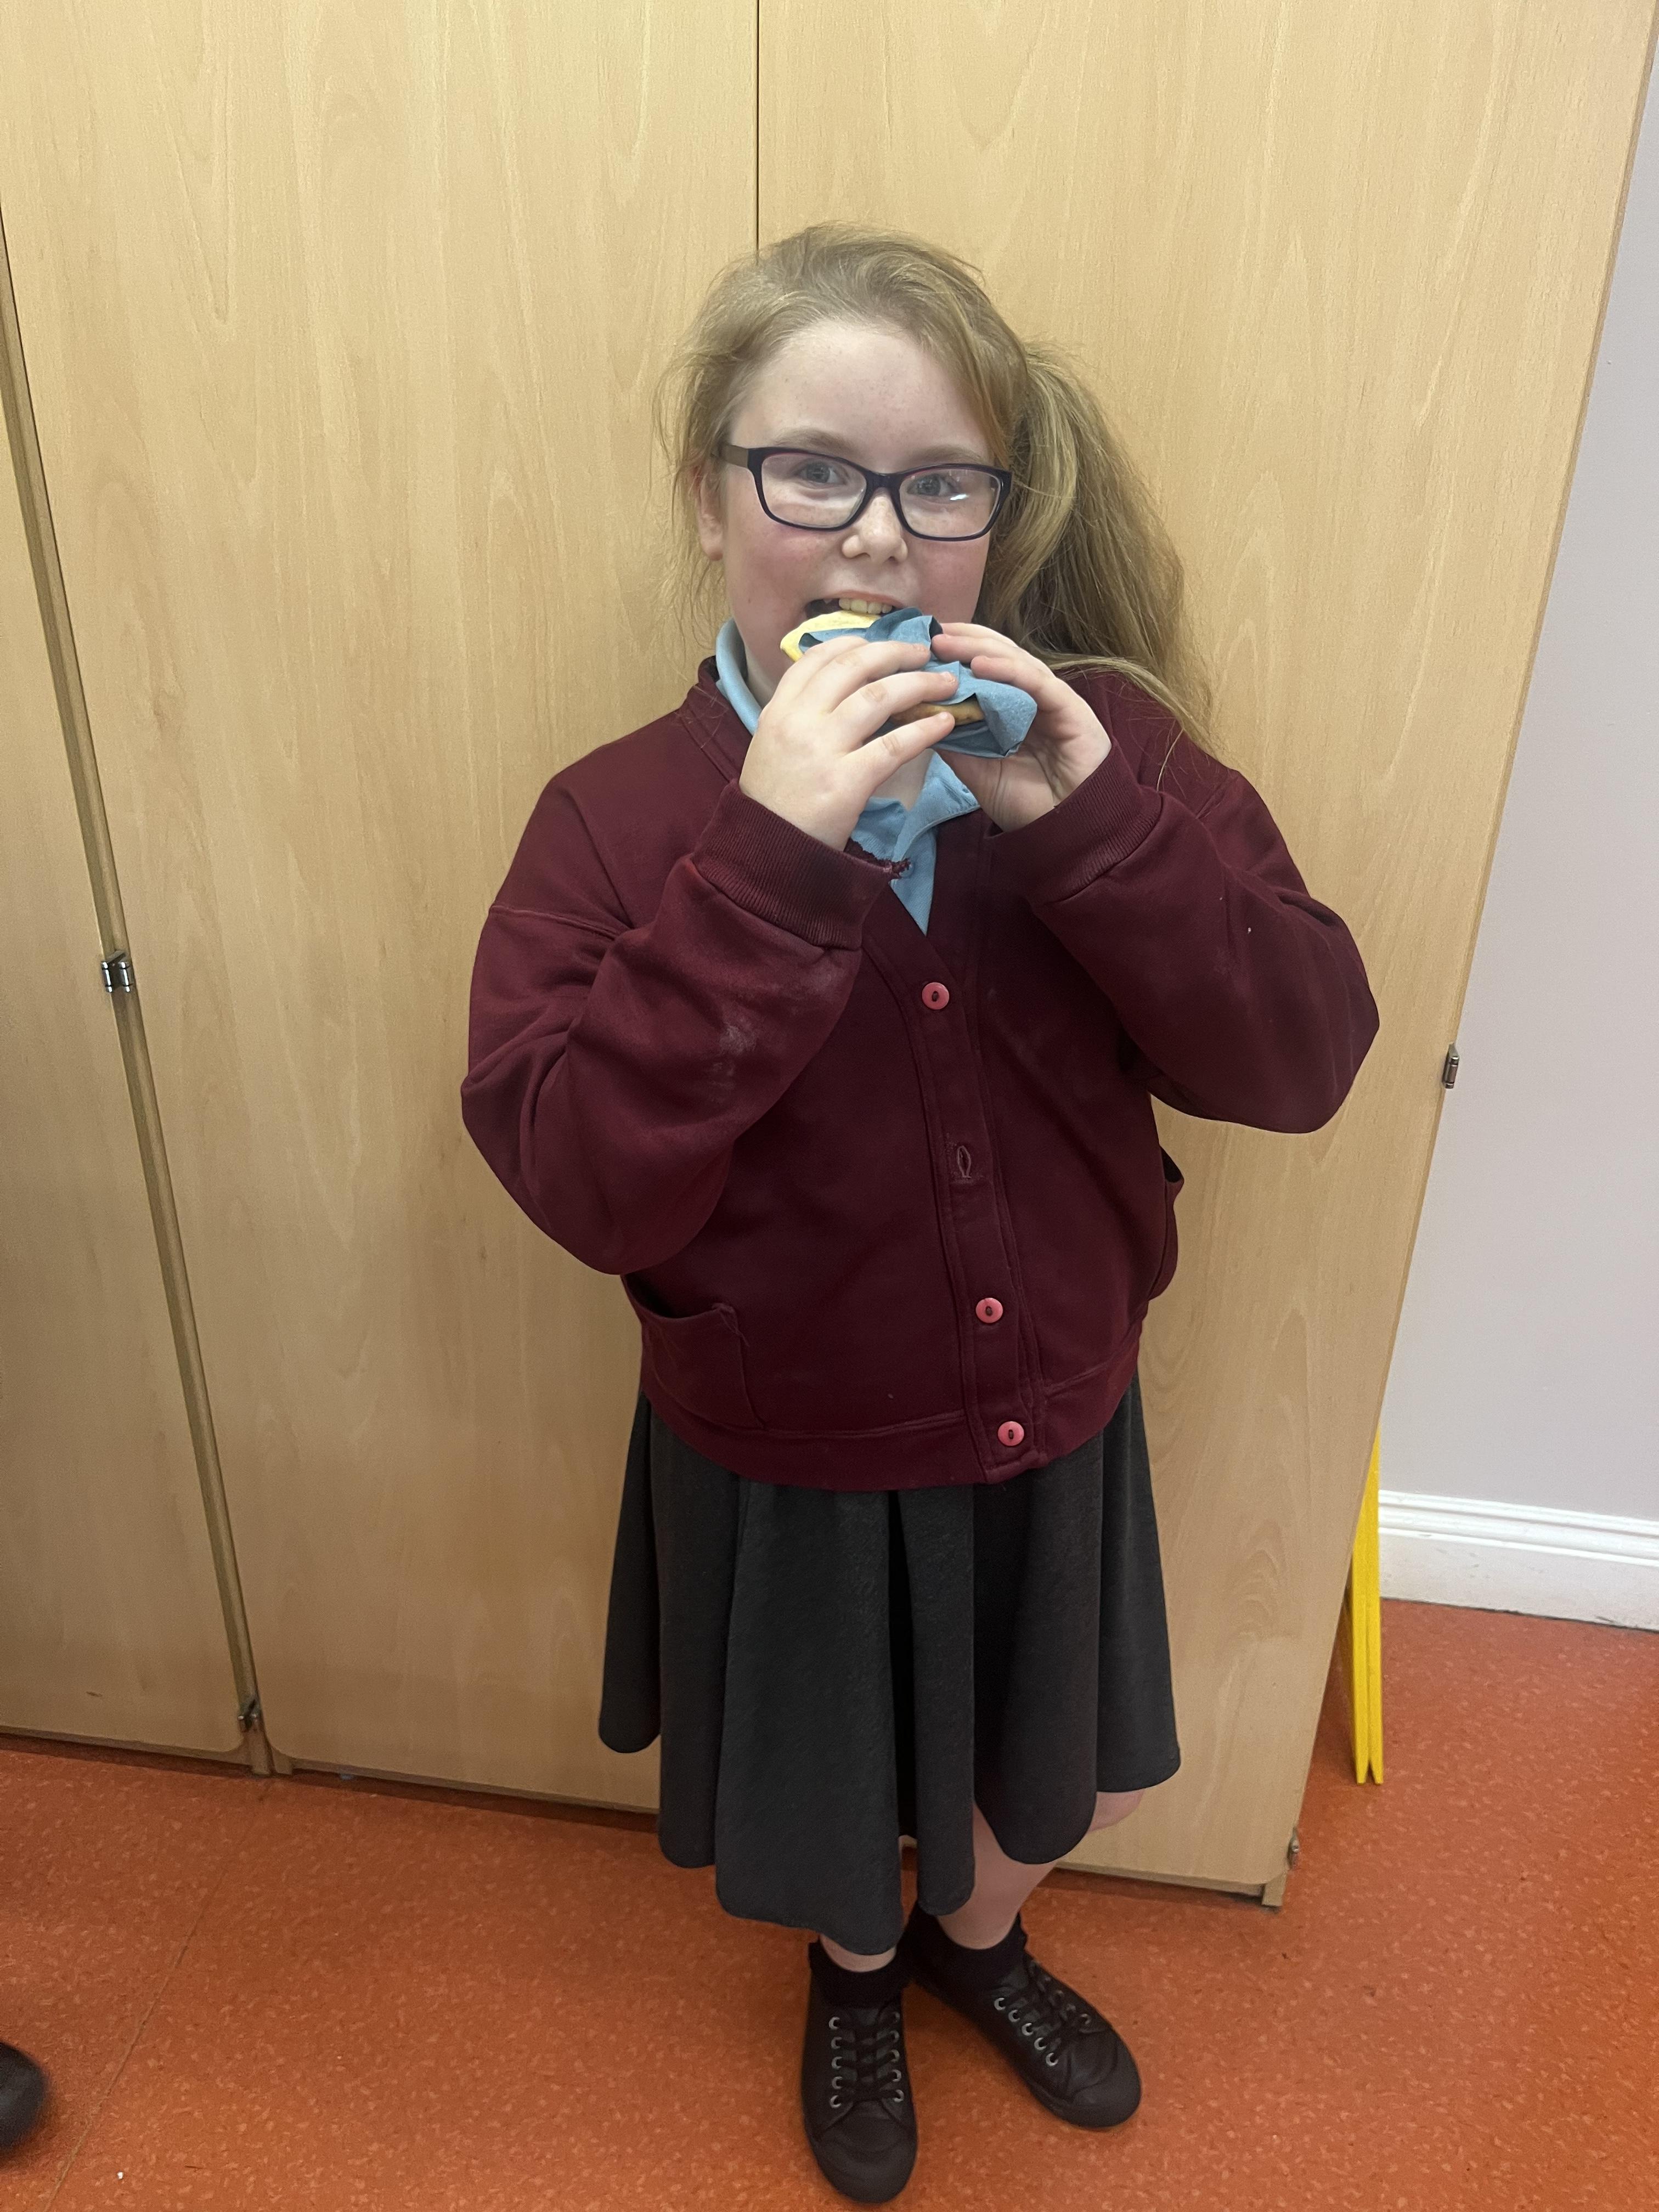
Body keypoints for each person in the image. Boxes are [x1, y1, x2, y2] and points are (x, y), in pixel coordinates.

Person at [461, 223, 1377, 2203]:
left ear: (998, 518)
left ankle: (980, 1945)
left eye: (939, 487)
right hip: (788, 1443)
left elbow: (1305, 1057)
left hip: (1057, 1410)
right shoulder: (613, 820)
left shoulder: (1102, 753)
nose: (877, 541)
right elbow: (580, 1172)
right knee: (834, 1777)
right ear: (710, 495)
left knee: (1032, 1766)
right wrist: (769, 865)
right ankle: (860, 1976)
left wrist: (1096, 823)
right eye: (813, 473)